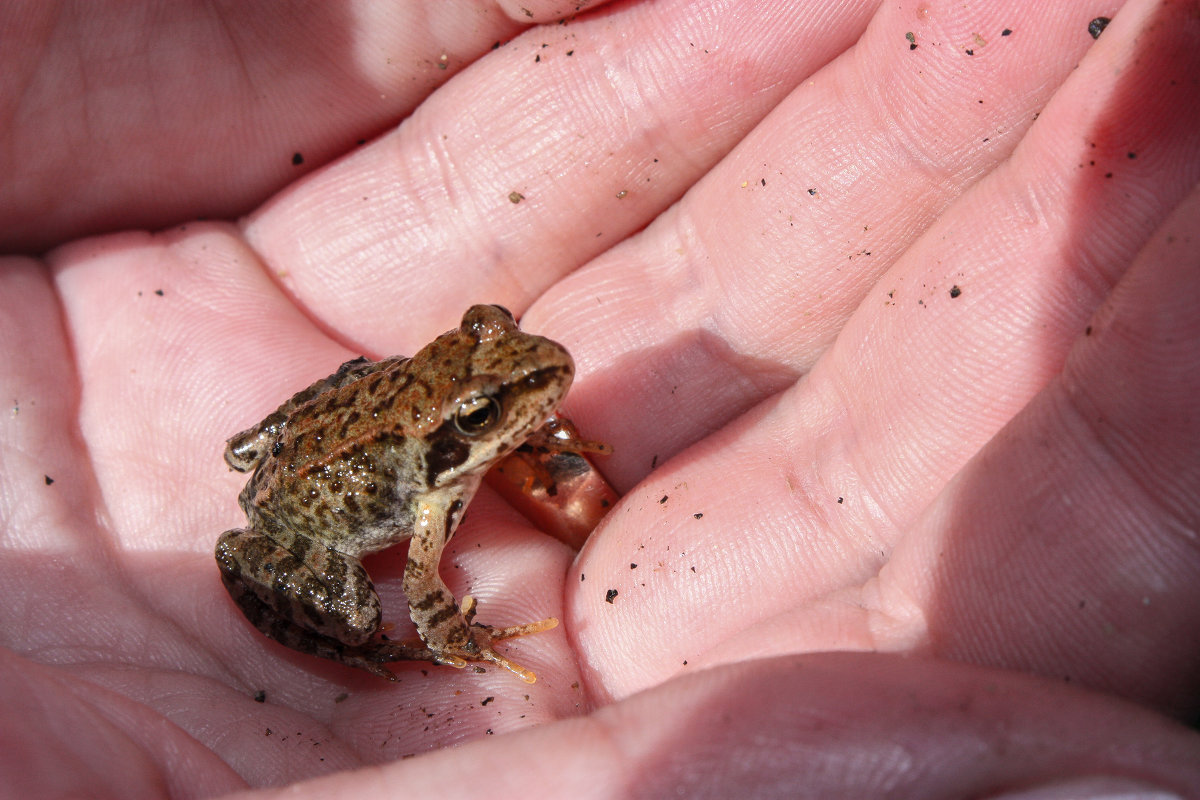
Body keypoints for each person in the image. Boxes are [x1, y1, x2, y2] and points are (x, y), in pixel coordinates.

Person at [2, 1, 1198, 795]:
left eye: (502, 356)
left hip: (327, 427)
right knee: (360, 622)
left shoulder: (470, 413)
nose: (526, 384)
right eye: (494, 409)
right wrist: (441, 640)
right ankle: (359, 641)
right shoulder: (424, 503)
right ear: (461, 429)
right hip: (308, 506)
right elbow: (425, 584)